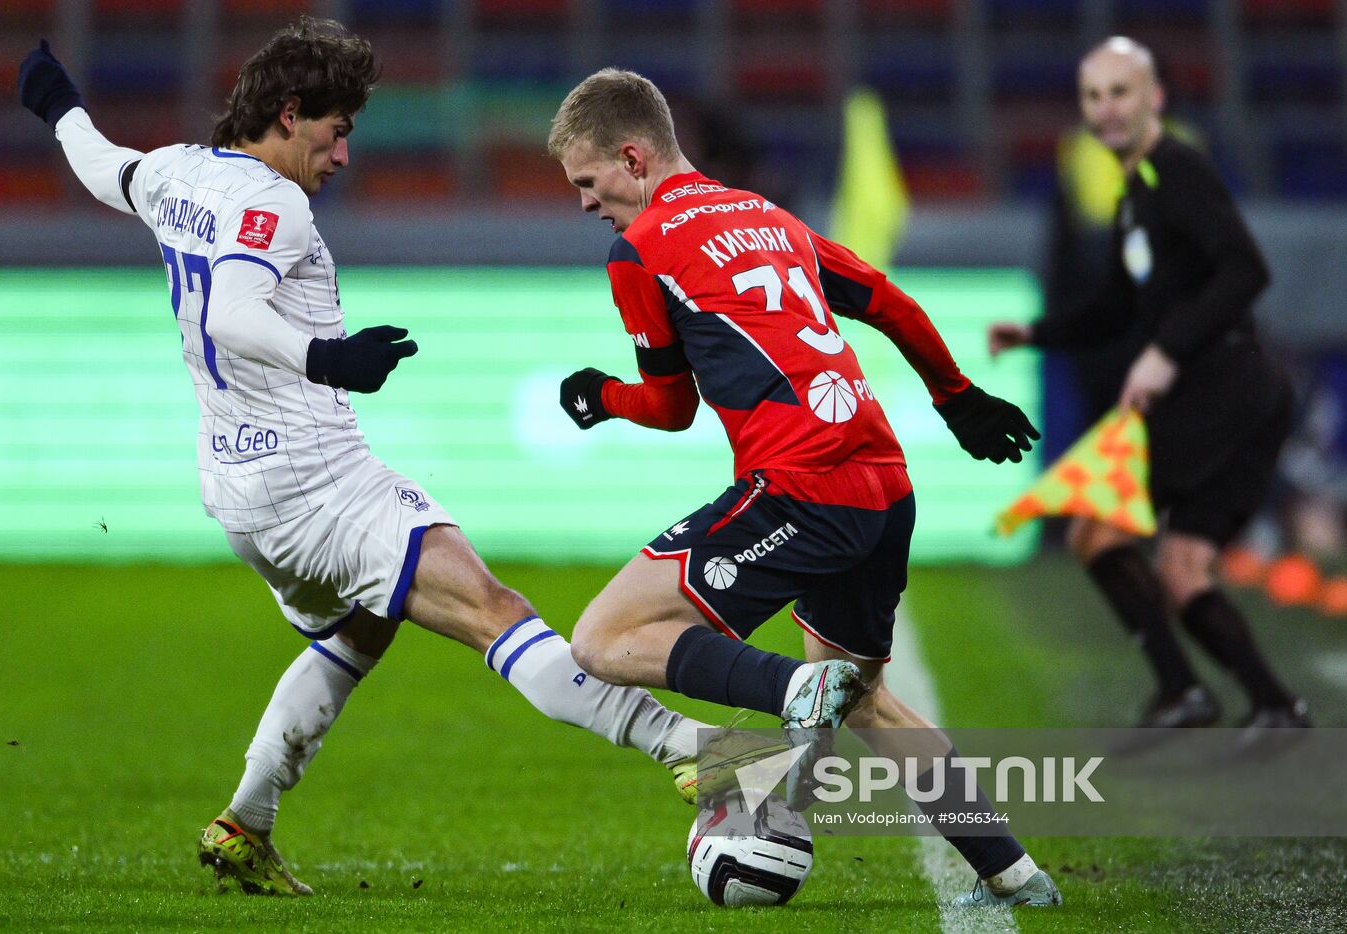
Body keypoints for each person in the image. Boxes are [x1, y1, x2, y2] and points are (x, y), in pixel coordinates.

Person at [18, 19, 715, 898]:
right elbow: (233, 310)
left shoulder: (173, 172)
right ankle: (694, 752)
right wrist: (330, 359)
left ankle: (247, 821)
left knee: (362, 626)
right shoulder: (274, 204)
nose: (342, 156)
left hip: (238, 493)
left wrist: (56, 104)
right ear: (289, 111)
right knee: (495, 610)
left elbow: (97, 161)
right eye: (336, 131)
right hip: (318, 483)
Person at [547, 68, 1059, 909]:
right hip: (884, 487)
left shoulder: (638, 251)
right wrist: (955, 394)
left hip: (801, 487)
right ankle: (1019, 876)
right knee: (867, 704)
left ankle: (786, 705)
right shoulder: (765, 214)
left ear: (633, 157)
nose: (586, 204)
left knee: (602, 639)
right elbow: (885, 299)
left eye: (589, 182)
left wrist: (601, 397)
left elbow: (672, 408)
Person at [988, 37, 1310, 749]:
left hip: (1221, 386)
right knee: (1182, 568)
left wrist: (1165, 354)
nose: (1106, 109)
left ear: (1155, 98)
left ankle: (1181, 689)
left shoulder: (1176, 170)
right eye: (1093, 96)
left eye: (1121, 92)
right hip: (1235, 390)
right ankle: (1276, 707)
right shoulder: (1136, 194)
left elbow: (1246, 271)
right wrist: (1033, 333)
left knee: (1092, 531)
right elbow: (1113, 309)